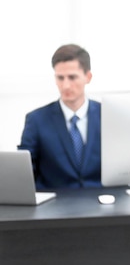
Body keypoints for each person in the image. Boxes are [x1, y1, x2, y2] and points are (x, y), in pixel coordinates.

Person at [18, 44, 102, 189]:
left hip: (103, 200)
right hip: (54, 204)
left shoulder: (107, 116)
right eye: (60, 78)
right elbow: (23, 171)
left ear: (88, 77)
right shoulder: (36, 120)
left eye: (72, 77)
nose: (66, 85)